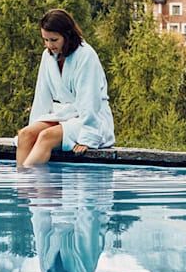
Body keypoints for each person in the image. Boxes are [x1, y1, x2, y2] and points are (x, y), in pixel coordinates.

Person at [16, 9, 115, 168]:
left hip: (90, 120)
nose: (49, 45)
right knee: (25, 135)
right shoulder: (47, 56)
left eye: (54, 39)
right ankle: (24, 186)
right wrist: (34, 125)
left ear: (67, 35)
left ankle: (29, 184)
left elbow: (91, 99)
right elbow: (42, 96)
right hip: (64, 116)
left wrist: (88, 137)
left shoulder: (86, 55)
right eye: (45, 40)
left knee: (46, 137)